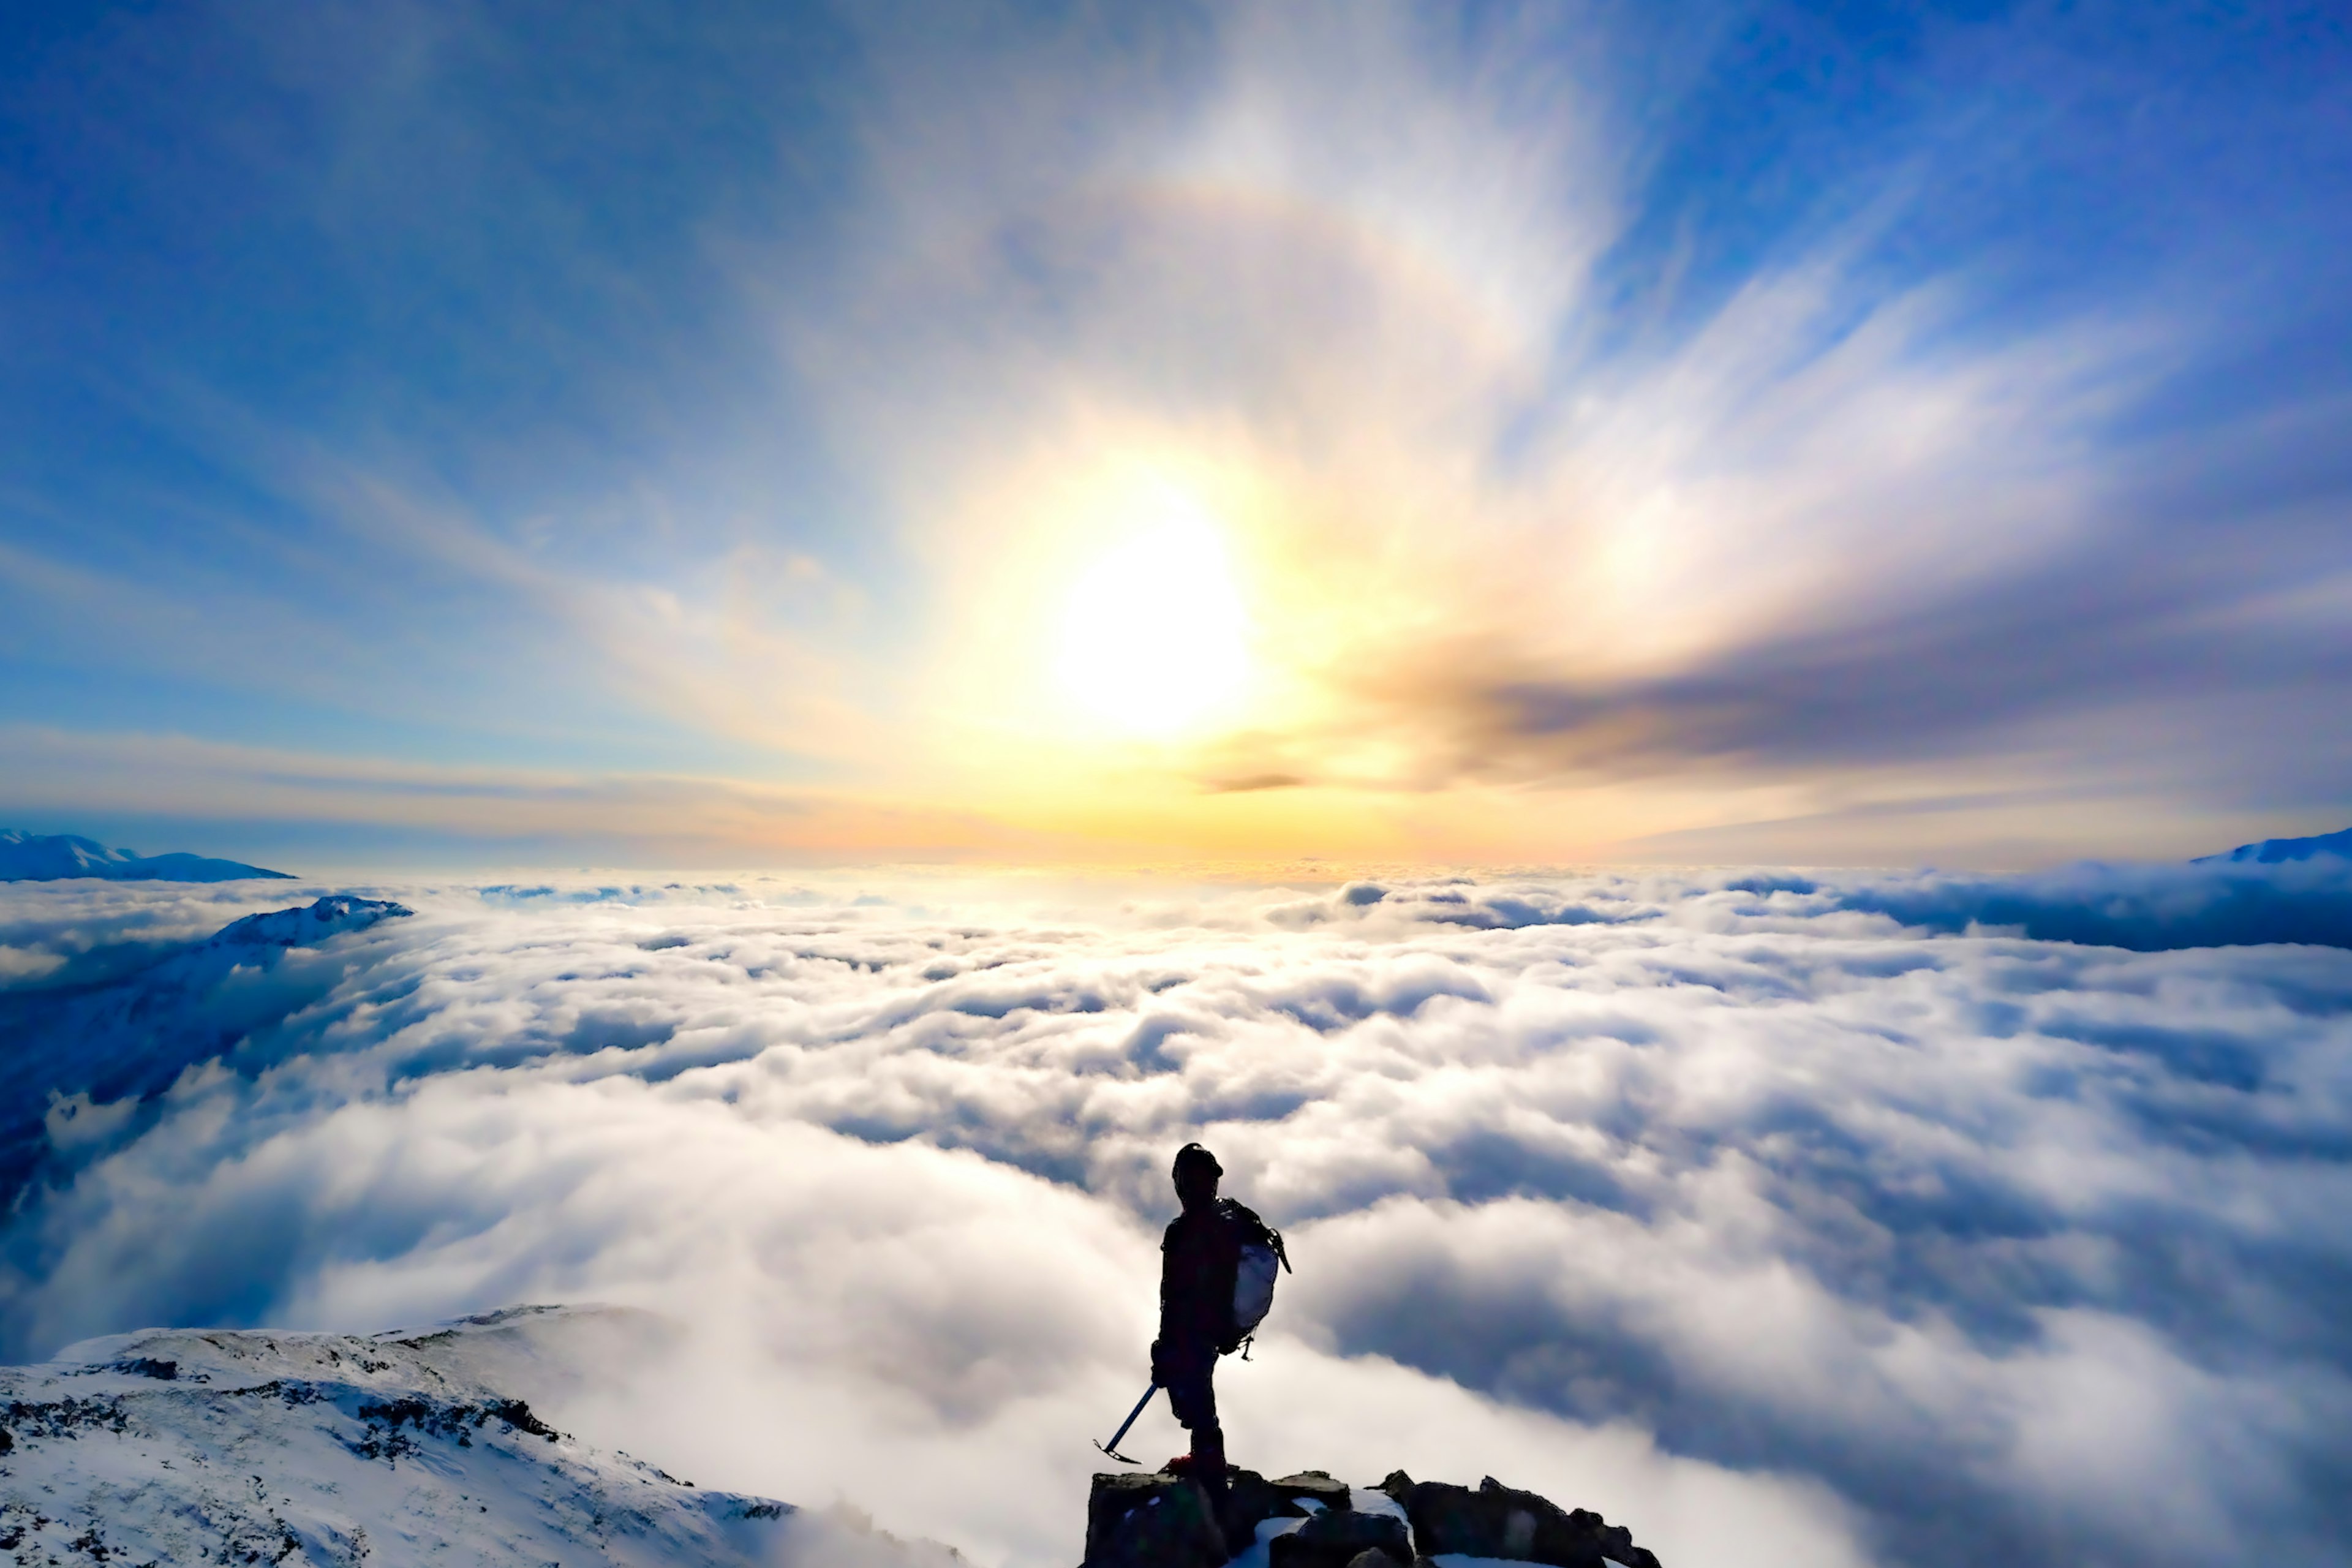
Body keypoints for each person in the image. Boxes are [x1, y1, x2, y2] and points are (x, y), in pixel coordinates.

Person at [1153, 1142, 1239, 1493]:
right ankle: (1206, 1453)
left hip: (1192, 1325)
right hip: (1218, 1323)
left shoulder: (1184, 1230)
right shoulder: (1226, 1222)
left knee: (1192, 1388)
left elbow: (1173, 1293)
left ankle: (1208, 1459)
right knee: (1199, 1385)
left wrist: (1165, 1343)